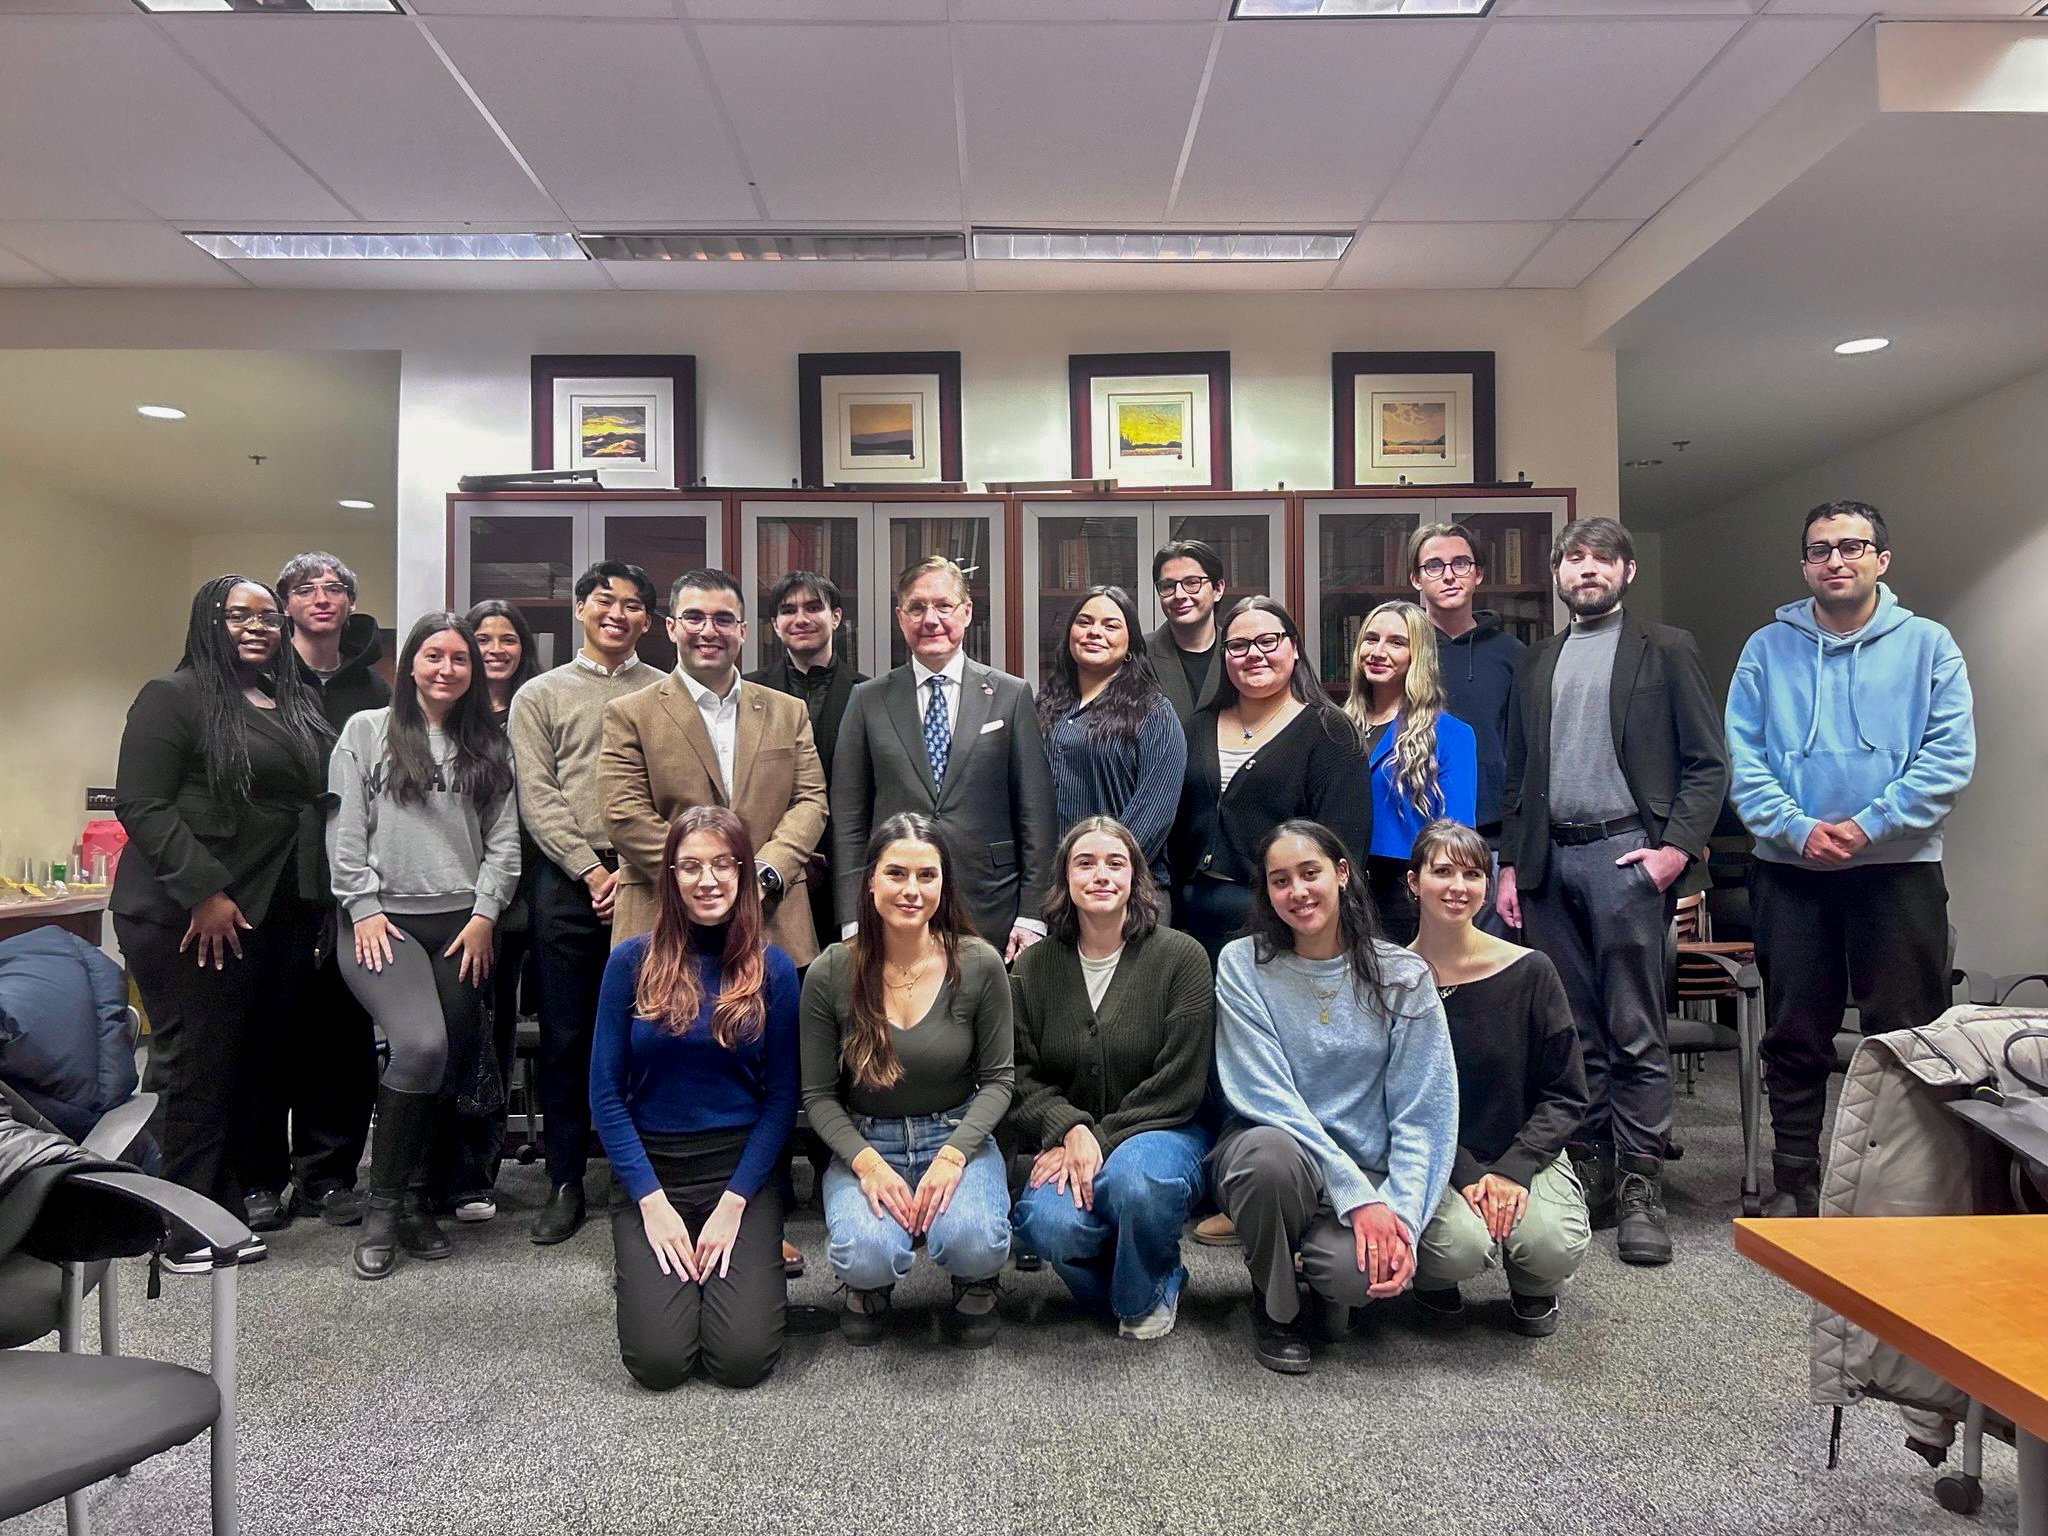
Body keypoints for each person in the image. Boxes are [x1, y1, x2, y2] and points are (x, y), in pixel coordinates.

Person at [1725, 500, 1975, 1218]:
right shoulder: (1765, 650)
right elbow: (1743, 758)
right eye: (1820, 549)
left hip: (1898, 872)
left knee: (1906, 1032)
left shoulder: (1929, 644)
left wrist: (1869, 826)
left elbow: (1949, 758)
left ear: (1881, 560)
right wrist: (1795, 827)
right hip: (1790, 872)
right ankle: (1795, 1181)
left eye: (1851, 547)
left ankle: (1909, 1187)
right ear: (1805, 565)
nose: (1835, 560)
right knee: (1794, 1030)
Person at [1497, 517, 1728, 1267]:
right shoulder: (1538, 661)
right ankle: (1591, 1164)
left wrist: (1675, 852)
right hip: (1545, 863)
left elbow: (1707, 764)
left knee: (1635, 1027)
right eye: (1572, 559)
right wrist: (1507, 865)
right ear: (1558, 574)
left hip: (1626, 854)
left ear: (1626, 571)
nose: (1585, 570)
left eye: (1601, 559)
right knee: (1576, 1030)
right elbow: (1518, 773)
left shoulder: (1666, 649)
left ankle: (1641, 1183)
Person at [111, 576, 334, 1271]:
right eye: (240, 615)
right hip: (187, 912)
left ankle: (222, 1203)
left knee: (241, 1063)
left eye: (268, 616)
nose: (257, 627)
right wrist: (204, 893)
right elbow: (142, 804)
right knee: (194, 1063)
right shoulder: (172, 697)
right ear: (208, 619)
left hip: (269, 910)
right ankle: (179, 1228)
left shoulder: (291, 702)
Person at [1208, 820, 1457, 1375]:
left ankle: (1324, 1270)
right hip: (1279, 1155)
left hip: (1368, 1172)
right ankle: (1276, 1303)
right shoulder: (1242, 965)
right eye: (1280, 881)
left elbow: (1426, 1114)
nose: (1297, 892)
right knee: (1265, 1161)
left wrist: (1400, 1218)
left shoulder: (1404, 976)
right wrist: (1354, 1196)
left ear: (1342, 874)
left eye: (1309, 873)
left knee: (1356, 1275)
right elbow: (1263, 1094)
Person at [328, 612, 520, 1280]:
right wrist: (362, 907)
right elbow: (345, 832)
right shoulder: (365, 732)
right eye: (433, 656)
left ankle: (414, 1201)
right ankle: (382, 1208)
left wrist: (487, 914)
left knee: (448, 1061)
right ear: (410, 664)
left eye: (459, 659)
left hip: (463, 928)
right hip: (383, 926)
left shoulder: (489, 743)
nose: (447, 669)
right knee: (420, 1046)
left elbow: (504, 841)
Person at [590, 807, 800, 1390]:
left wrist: (735, 1203)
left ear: (743, 872)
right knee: (660, 1364)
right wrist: (650, 1202)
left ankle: (730, 1275)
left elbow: (782, 1101)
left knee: (741, 1361)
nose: (707, 880)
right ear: (671, 877)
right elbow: (605, 1096)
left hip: (740, 1174)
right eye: (690, 867)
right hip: (652, 1171)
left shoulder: (774, 970)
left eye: (722, 865)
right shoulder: (629, 964)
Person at [800, 814, 1014, 1348]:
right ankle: (866, 1288)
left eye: (927, 876)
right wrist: (866, 1163)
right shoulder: (831, 971)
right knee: (865, 1256)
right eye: (896, 874)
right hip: (867, 1142)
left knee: (973, 1240)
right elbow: (818, 1097)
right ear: (869, 880)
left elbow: (999, 1082)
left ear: (944, 884)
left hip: (956, 1135)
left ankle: (976, 1278)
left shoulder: (979, 963)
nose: (911, 890)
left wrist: (954, 1155)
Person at [1008, 817, 1213, 1340]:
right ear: (1065, 880)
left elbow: (1180, 1082)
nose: (1101, 875)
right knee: (1047, 1224)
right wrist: (1069, 1127)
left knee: (1133, 1184)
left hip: (1162, 1133)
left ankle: (1140, 1281)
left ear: (1135, 878)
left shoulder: (1181, 957)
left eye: (1115, 863)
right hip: (1071, 1139)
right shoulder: (1032, 969)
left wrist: (1093, 1139)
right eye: (1085, 863)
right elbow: (1018, 1075)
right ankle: (1142, 1282)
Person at [237, 551, 391, 1231]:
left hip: (348, 885)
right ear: (286, 606)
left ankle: (329, 1177)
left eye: (335, 589)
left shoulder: (376, 690)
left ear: (350, 606)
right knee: (266, 1030)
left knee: (343, 1034)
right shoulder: (254, 682)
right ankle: (261, 1177)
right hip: (271, 880)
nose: (322, 598)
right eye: (306, 589)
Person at [508, 561, 660, 1244]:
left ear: (648, 623)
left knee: (649, 1030)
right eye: (605, 601)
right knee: (568, 1037)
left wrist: (630, 870)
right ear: (579, 608)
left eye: (633, 606)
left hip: (650, 878)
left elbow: (677, 790)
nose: (618, 614)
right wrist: (590, 873)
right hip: (567, 883)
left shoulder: (666, 690)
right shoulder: (539, 694)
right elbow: (537, 795)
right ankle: (566, 1179)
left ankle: (642, 1179)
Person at [1404, 819, 1590, 1336]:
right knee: (1457, 1246)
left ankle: (1534, 1285)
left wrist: (1513, 1169)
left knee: (1551, 1244)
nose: (1458, 887)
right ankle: (1435, 1281)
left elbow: (1566, 1092)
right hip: (1432, 1155)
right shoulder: (1392, 978)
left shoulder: (1532, 971)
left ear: (1488, 885)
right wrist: (1466, 1175)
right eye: (1442, 872)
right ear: (1414, 881)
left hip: (1524, 1145)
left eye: (1472, 874)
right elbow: (1395, 1103)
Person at [831, 556, 1056, 962]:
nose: (930, 619)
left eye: (943, 605)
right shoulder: (868, 700)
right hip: (897, 903)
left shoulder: (1010, 695)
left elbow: (1035, 813)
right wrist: (852, 916)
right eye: (917, 607)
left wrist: (1032, 914)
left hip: (992, 903)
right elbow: (848, 818)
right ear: (901, 618)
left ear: (966, 612)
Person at [601, 568, 828, 961]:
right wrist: (703, 878)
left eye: (723, 619)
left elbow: (810, 802)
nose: (709, 630)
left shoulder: (788, 712)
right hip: (662, 921)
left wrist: (766, 872)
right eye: (694, 617)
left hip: (771, 920)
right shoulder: (629, 714)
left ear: (742, 631)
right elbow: (623, 814)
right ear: (672, 627)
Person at [422, 598, 542, 1224]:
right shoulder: (438, 718)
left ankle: (478, 1169)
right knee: (443, 1037)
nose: (496, 650)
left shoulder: (531, 708)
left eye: (508, 640)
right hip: (440, 905)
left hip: (512, 905)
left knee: (490, 1037)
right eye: (483, 640)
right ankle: (427, 1169)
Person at [1170, 595, 1370, 963]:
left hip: (1284, 929)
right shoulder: (1196, 727)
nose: (1253, 654)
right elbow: (1177, 832)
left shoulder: (1330, 731)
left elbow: (1344, 847)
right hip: (1192, 933)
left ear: (1294, 648)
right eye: (1238, 645)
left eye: (1268, 641)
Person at [745, 569, 868, 954]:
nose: (801, 618)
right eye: (788, 610)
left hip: (848, 873)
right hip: (765, 871)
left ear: (836, 617)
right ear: (775, 625)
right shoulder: (747, 693)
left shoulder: (871, 693)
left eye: (814, 607)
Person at [1036, 586, 1186, 894]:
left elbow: (1153, 812)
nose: (1095, 632)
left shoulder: (1154, 711)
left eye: (1111, 625)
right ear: (1068, 635)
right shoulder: (1044, 705)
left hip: (1129, 891)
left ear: (1130, 642)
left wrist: (1102, 871)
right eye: (1084, 622)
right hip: (1055, 890)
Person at [1342, 599, 1477, 943]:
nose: (1378, 651)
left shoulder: (1451, 734)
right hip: (1342, 889)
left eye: (1396, 642)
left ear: (1418, 656)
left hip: (1406, 894)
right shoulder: (1336, 726)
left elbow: (1456, 834)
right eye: (1371, 639)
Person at [1409, 523, 1524, 850]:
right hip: (1414, 826)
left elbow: (1525, 749)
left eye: (1461, 563)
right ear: (1417, 579)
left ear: (1478, 574)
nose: (1449, 575)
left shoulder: (1512, 654)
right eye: (1434, 566)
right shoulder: (1401, 650)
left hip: (1493, 833)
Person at [1147, 538, 1226, 724]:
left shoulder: (1241, 651)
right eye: (1168, 586)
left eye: (1192, 583)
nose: (1179, 595)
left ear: (1218, 589)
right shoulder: (1138, 655)